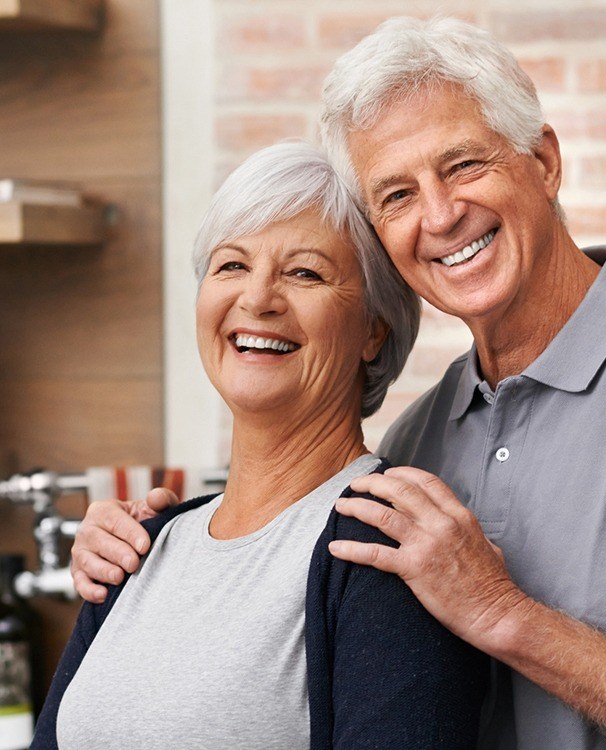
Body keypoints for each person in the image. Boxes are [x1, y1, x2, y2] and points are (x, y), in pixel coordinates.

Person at [71, 17, 606, 750]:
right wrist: (155, 551)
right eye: (395, 194)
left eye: (462, 165)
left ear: (544, 161)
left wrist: (503, 613)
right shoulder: (418, 441)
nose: (440, 214)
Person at [31, 140, 489, 750]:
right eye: (231, 266)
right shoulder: (139, 544)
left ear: (373, 332)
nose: (257, 299)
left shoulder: (387, 550)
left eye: (304, 272)